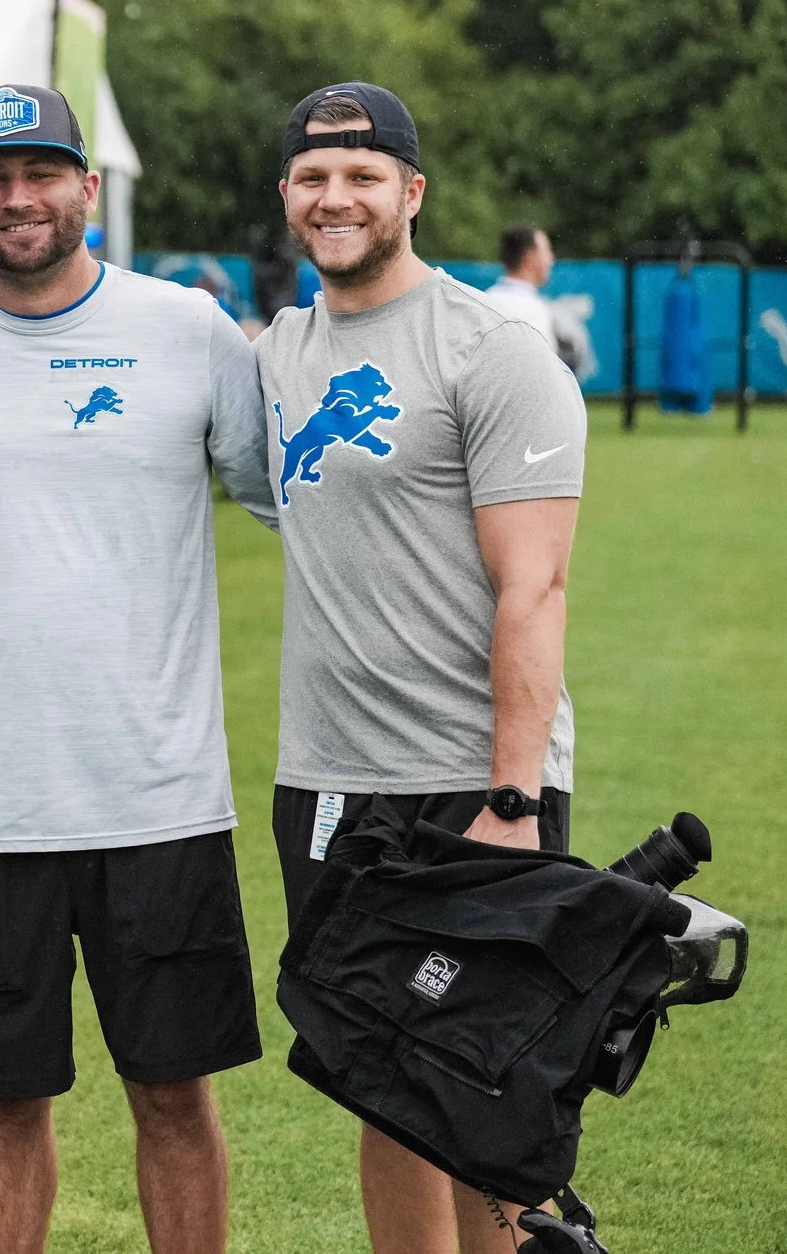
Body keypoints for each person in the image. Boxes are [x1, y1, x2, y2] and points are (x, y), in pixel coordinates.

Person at [0, 83, 276, 1254]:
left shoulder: (187, 329)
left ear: (87, 187)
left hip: (160, 794)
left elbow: (284, 498)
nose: (16, 196)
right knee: (3, 1096)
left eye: (40, 172)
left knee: (174, 1091)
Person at [252, 83, 587, 1254]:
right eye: (312, 176)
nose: (334, 196)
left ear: (410, 191)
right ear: (288, 196)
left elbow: (533, 586)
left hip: (470, 785)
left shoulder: (490, 350)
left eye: (360, 173)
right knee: (377, 1084)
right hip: (330, 779)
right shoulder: (280, 352)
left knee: (480, 1090)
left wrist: (509, 799)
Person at [486, 225, 588, 373]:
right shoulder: (533, 310)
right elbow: (541, 373)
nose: (551, 259)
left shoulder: (487, 299)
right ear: (530, 257)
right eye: (547, 251)